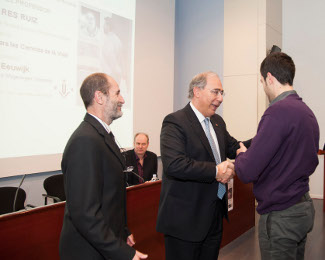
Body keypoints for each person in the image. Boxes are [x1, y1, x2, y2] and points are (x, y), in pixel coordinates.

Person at [156, 71, 250, 260]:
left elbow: (234, 146)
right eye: (215, 92)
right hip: (185, 221)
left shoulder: (217, 122)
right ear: (197, 91)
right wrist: (216, 171)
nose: (220, 98)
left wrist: (265, 137)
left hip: (214, 214)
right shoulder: (175, 121)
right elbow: (175, 164)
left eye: (222, 93)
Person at [235, 52, 319, 260]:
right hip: (302, 208)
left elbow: (247, 171)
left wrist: (242, 155)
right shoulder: (307, 113)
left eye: (262, 82)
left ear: (270, 78)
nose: (263, 87)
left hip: (281, 216)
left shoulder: (277, 112)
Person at [59, 73, 147, 260]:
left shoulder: (101, 135)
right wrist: (122, 251)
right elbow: (85, 214)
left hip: (103, 243)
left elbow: (110, 197)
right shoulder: (85, 140)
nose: (122, 99)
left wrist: (123, 230)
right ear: (99, 97)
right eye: (117, 93)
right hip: (88, 251)